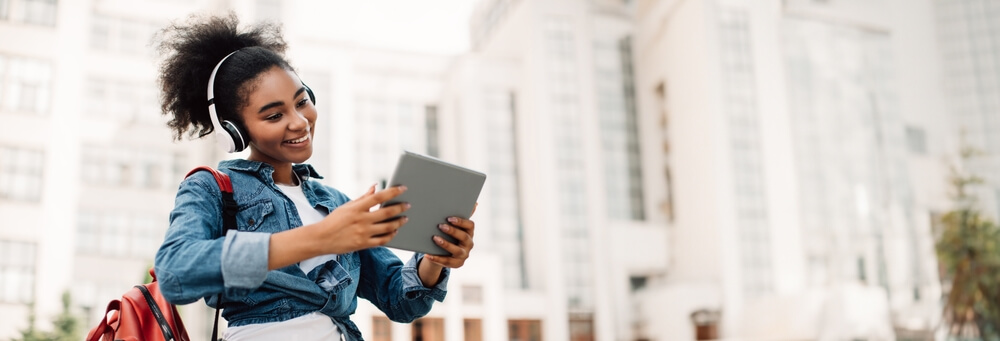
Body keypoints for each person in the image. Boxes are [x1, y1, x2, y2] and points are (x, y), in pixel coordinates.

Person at [152, 13, 475, 340]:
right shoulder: (211, 188)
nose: (300, 122)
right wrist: (321, 237)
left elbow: (400, 301)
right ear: (233, 131)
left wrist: (434, 259)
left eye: (301, 101)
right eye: (275, 115)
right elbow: (176, 272)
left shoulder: (336, 204)